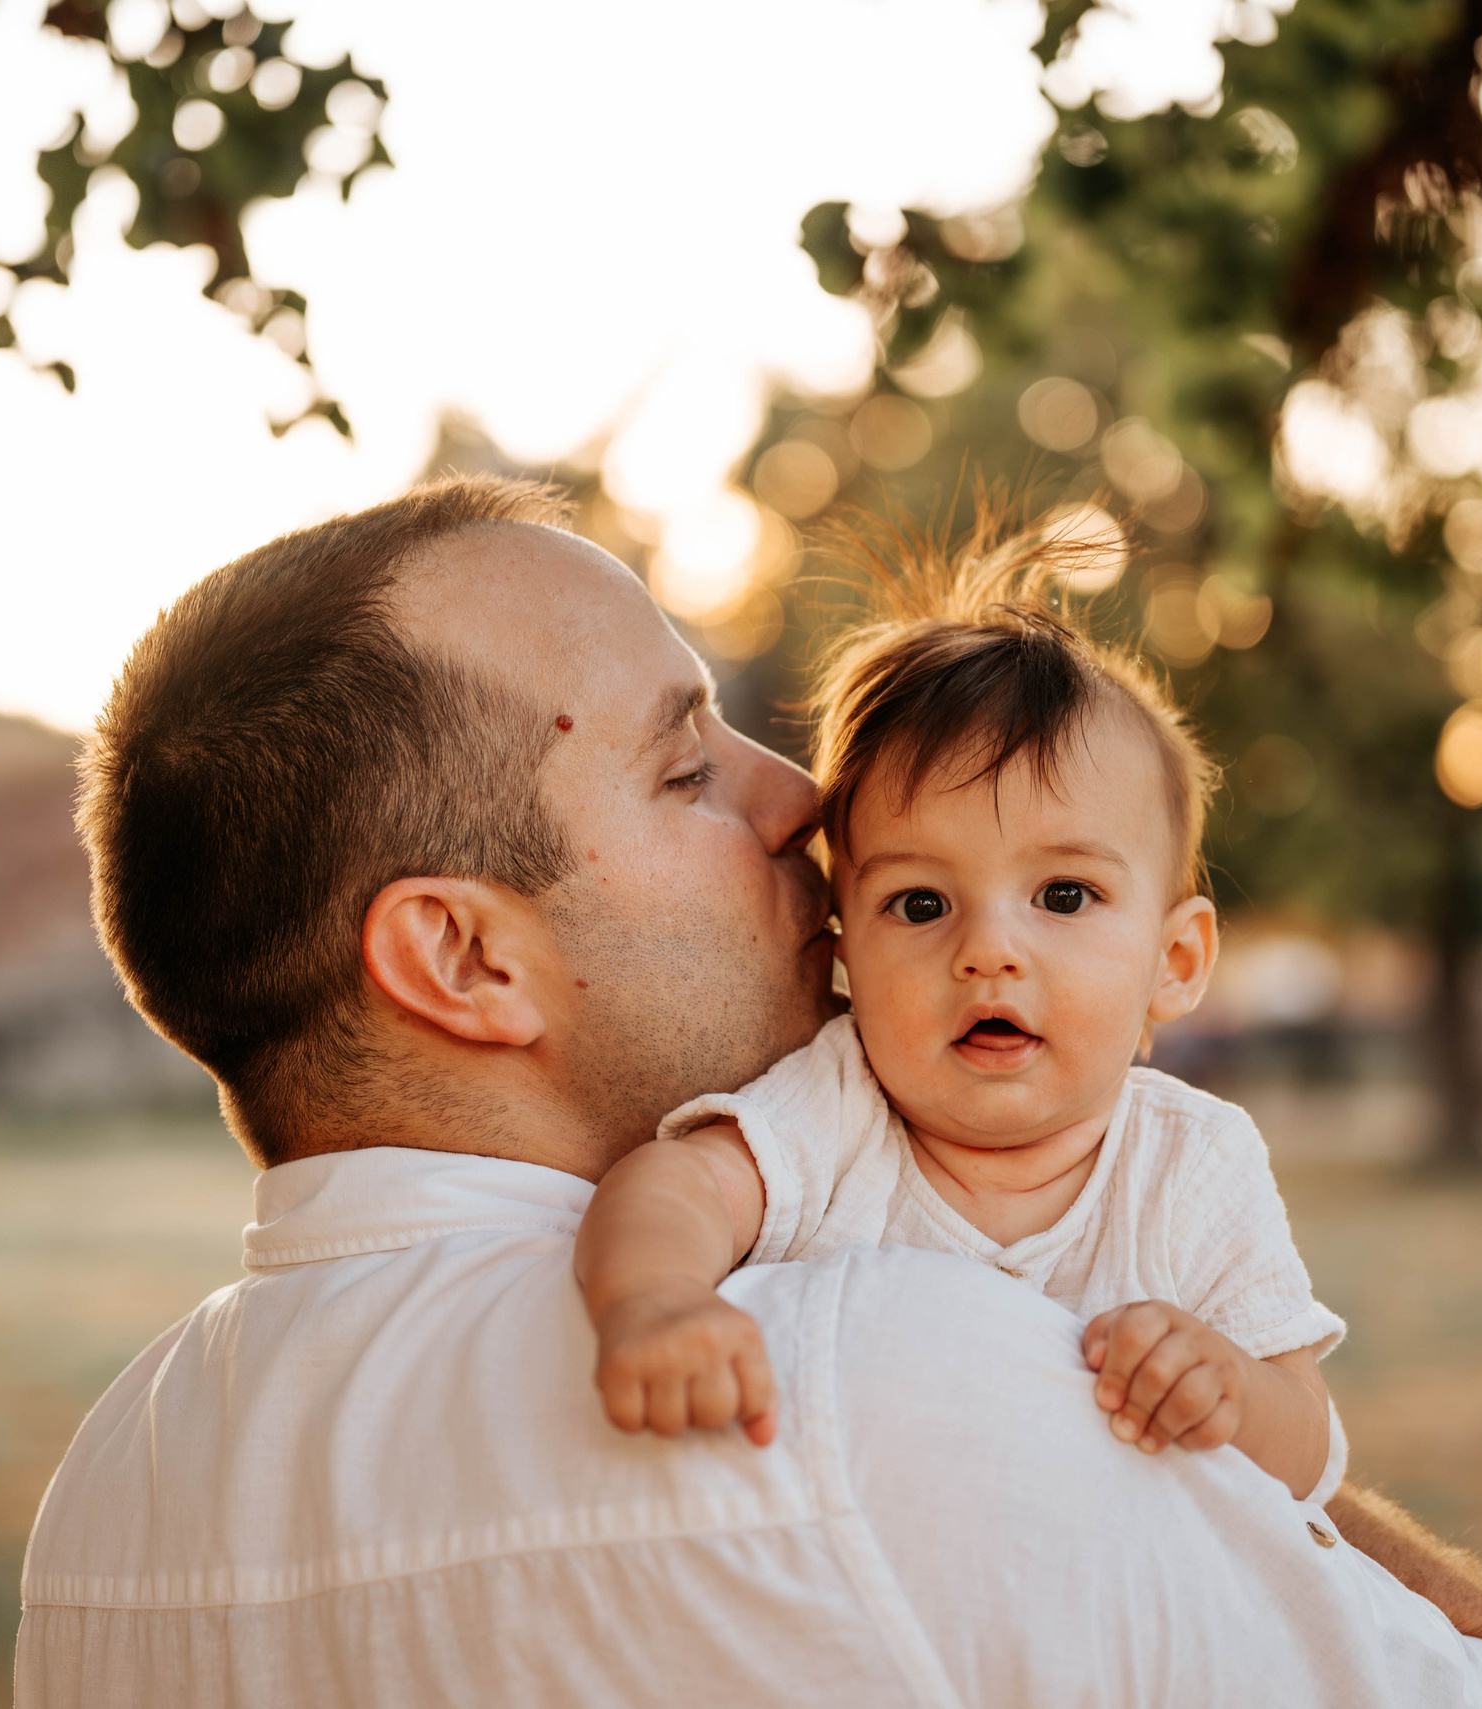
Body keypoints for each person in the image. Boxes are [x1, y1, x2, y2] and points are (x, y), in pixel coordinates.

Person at [15, 476, 1482, 1706]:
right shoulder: (879, 1388)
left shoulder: (99, 1506)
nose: (806, 800)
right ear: (465, 959)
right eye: (685, 769)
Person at [575, 521, 1343, 1502]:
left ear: (1175, 958)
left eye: (1062, 895)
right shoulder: (837, 1109)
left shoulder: (1191, 1167)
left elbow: (1311, 1444)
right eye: (920, 904)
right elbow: (676, 1184)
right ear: (847, 946)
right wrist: (651, 1299)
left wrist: (1230, 1387)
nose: (987, 949)